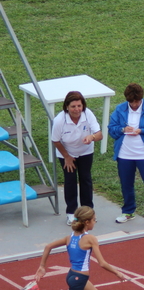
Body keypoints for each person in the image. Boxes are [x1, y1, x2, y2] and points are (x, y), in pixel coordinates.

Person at [13, 206, 136, 290]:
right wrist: (117, 273)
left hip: (73, 275)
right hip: (80, 279)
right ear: (87, 222)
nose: (95, 222)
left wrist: (42, 266)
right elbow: (102, 263)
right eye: (94, 220)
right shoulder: (90, 239)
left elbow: (48, 246)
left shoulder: (69, 237)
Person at [108, 82, 144, 228]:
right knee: (126, 184)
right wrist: (123, 129)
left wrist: (142, 130)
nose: (134, 105)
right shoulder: (120, 109)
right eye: (131, 102)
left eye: (137, 101)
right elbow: (111, 129)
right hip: (124, 155)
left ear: (141, 98)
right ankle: (128, 211)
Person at [51, 91, 102, 225]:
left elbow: (99, 134)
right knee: (70, 180)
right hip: (67, 153)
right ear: (67, 106)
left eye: (79, 106)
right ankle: (71, 214)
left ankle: (88, 213)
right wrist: (67, 157)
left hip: (85, 152)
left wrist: (91, 137)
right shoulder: (59, 120)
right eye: (73, 106)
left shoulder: (88, 114)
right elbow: (55, 140)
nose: (77, 109)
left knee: (85, 179)